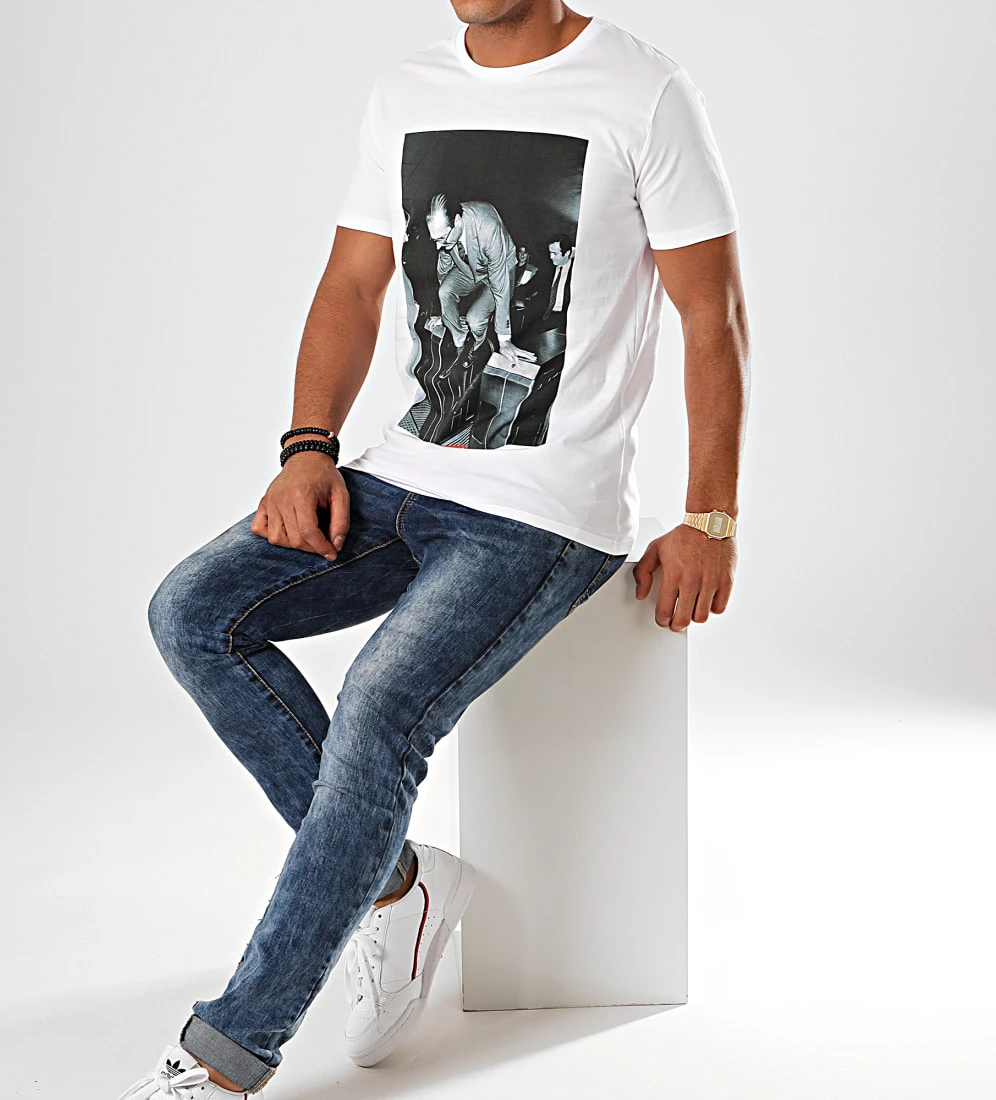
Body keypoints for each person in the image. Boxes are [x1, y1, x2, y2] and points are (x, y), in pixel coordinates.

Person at [117, 2, 749, 1096]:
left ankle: (225, 1058)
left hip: (546, 510)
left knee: (378, 707)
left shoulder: (644, 91)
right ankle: (395, 886)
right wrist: (308, 448)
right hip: (403, 472)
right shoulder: (407, 89)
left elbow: (713, 312)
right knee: (194, 612)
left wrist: (711, 517)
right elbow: (354, 283)